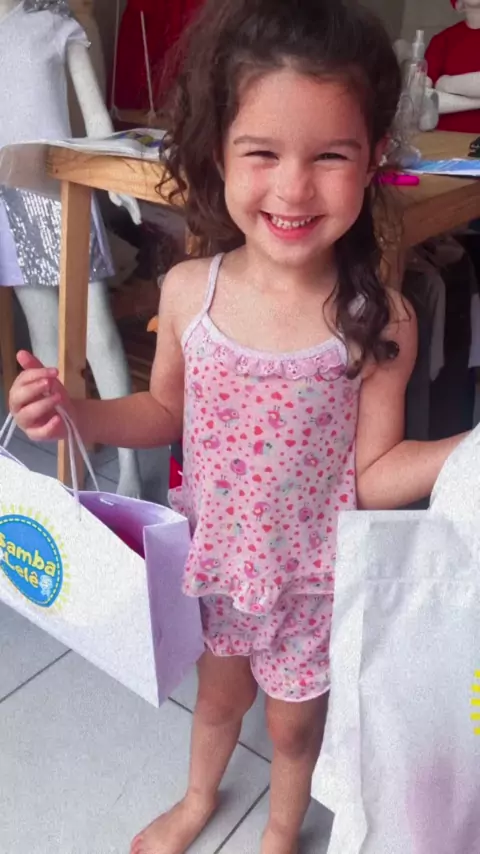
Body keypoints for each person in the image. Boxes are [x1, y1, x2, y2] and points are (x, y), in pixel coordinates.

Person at [8, 1, 468, 852]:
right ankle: (197, 799)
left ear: (374, 158)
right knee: (218, 700)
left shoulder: (380, 319)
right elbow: (164, 412)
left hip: (313, 581)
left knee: (293, 728)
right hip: (218, 561)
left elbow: (375, 473)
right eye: (262, 153)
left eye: (329, 155)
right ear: (217, 152)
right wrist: (75, 411)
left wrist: (466, 453)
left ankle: (281, 832)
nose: (293, 189)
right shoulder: (192, 291)